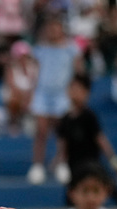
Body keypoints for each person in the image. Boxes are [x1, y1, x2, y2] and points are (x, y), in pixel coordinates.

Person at [26, 16, 82, 185]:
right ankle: (37, 166)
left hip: (62, 95)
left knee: (62, 132)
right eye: (49, 27)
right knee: (41, 131)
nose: (52, 31)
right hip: (42, 94)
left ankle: (62, 164)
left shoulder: (72, 49)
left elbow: (78, 73)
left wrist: (74, 96)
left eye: (55, 27)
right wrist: (30, 95)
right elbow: (34, 73)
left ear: (61, 28)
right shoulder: (39, 49)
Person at [53, 73, 117, 187]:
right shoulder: (64, 119)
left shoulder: (89, 116)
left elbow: (102, 141)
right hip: (73, 168)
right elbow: (62, 146)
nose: (74, 92)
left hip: (92, 166)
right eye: (72, 88)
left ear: (86, 93)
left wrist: (116, 164)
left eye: (79, 89)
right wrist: (58, 164)